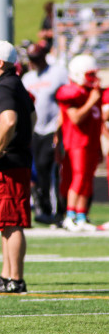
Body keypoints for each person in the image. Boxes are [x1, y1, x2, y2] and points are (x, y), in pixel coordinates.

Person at [0, 40, 36, 294]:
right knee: (6, 222)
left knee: (12, 222)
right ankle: (6, 275)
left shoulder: (4, 86)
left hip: (7, 165)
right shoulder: (15, 84)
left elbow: (9, 120)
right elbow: (31, 117)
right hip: (14, 162)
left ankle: (15, 279)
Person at [55, 54, 102, 232]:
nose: (93, 79)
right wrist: (91, 101)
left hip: (91, 141)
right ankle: (70, 216)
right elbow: (75, 118)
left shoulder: (91, 92)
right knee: (79, 178)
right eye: (89, 75)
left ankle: (81, 216)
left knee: (87, 179)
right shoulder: (73, 92)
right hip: (76, 141)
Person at [22, 42, 68, 224]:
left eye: (37, 58)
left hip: (53, 129)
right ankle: (46, 209)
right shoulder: (28, 78)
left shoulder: (58, 73)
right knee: (40, 169)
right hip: (35, 130)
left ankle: (59, 212)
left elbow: (65, 102)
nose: (35, 62)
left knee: (53, 170)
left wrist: (60, 128)